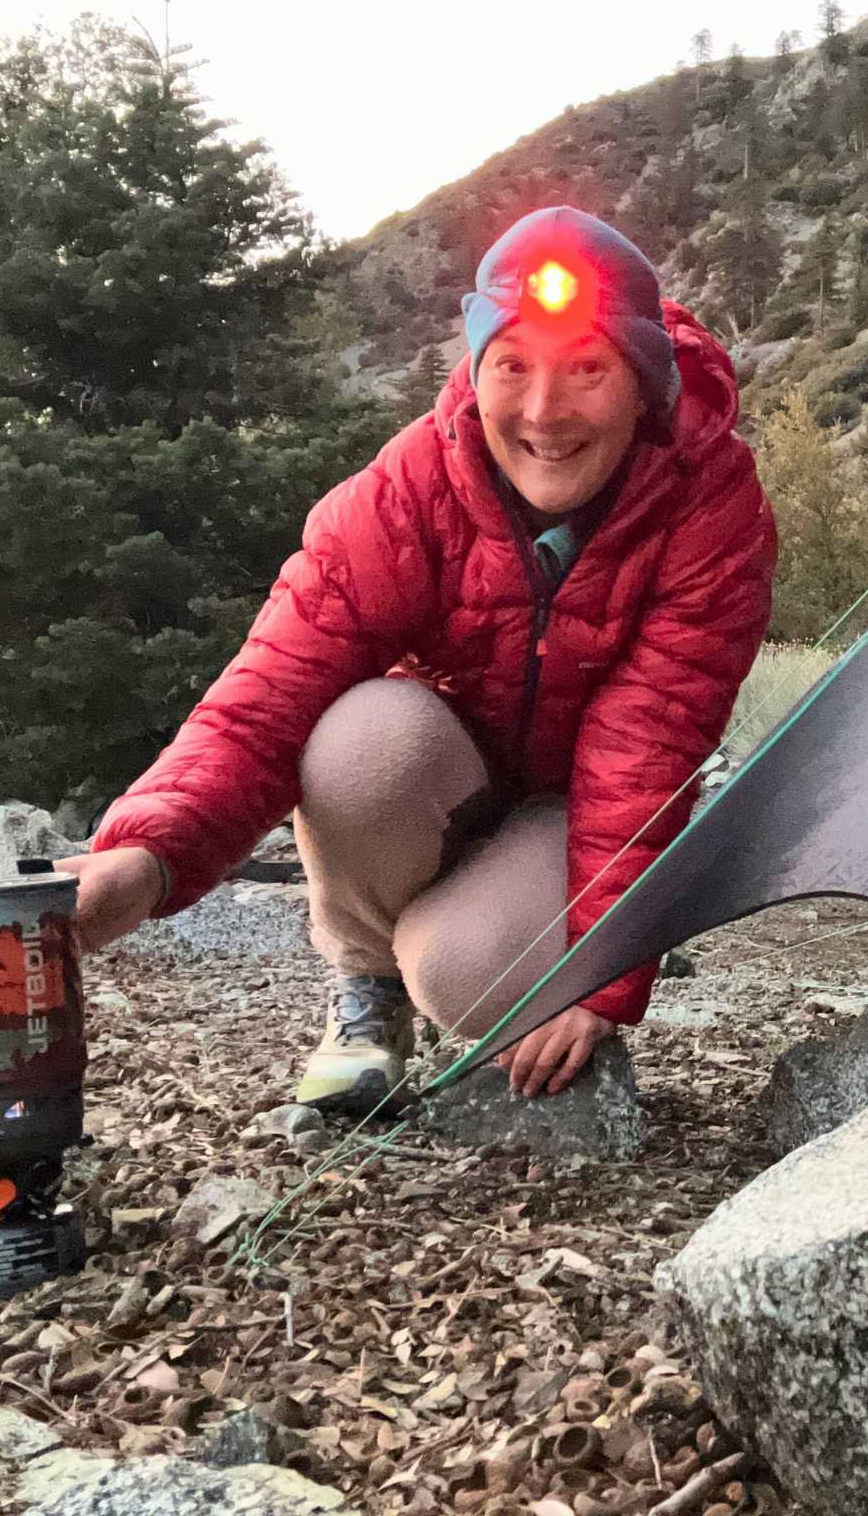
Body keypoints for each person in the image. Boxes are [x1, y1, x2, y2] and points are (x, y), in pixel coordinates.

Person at [58, 207, 777, 1107]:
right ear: (477, 373)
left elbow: (649, 747)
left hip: (570, 810)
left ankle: (438, 956)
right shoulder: (410, 486)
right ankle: (367, 986)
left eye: (588, 369)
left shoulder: (710, 508)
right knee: (360, 737)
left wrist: (604, 974)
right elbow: (272, 689)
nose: (545, 414)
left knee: (468, 974)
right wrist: (149, 855)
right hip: (440, 773)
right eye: (513, 366)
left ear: (644, 385)